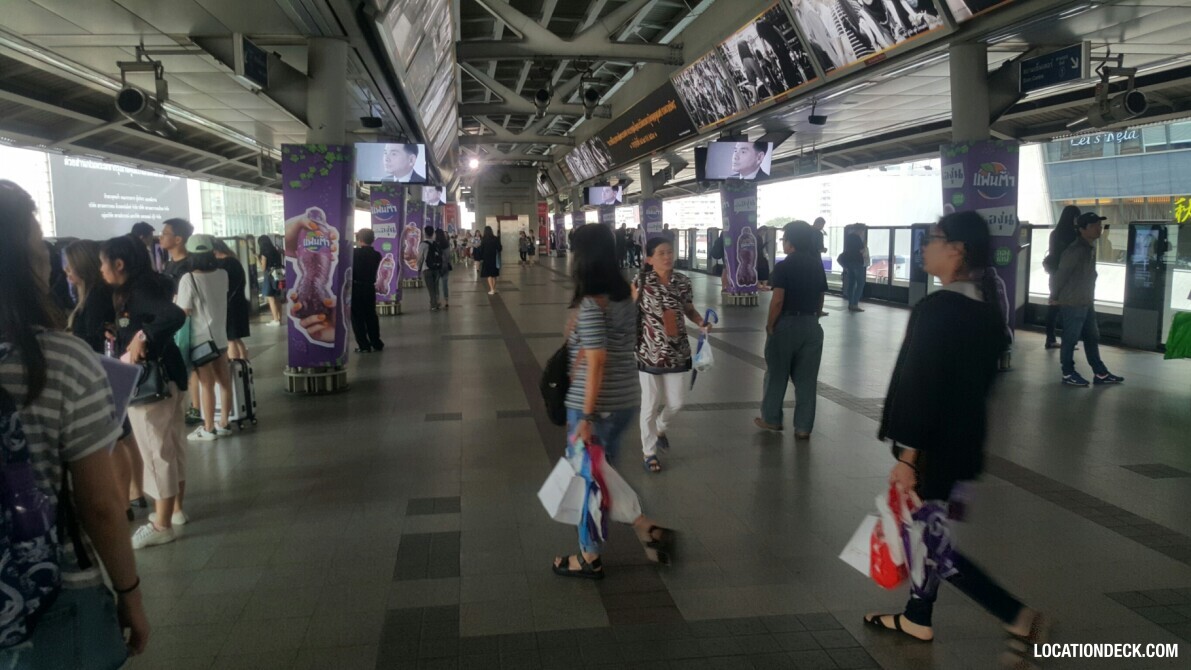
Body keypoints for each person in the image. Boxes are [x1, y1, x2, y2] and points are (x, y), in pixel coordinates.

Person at [863, 212, 1049, 666]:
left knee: (932, 543)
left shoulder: (937, 309)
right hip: (963, 446)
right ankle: (917, 616)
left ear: (958, 249)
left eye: (933, 239)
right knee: (929, 530)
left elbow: (920, 386)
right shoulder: (988, 314)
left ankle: (1015, 614)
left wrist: (908, 457)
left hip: (930, 450)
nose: (925, 246)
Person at [0, 180, 150, 665]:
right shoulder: (56, 359)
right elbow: (101, 505)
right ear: (24, 266)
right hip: (53, 592)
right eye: (41, 252)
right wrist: (129, 592)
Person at [552, 224, 674, 579]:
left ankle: (591, 556)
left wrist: (587, 416)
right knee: (601, 476)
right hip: (623, 401)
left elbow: (597, 362)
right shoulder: (625, 296)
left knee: (587, 481)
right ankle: (644, 527)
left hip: (596, 406)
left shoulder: (592, 304)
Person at [100, 235, 189, 549]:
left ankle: (161, 523)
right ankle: (175, 509)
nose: (101, 269)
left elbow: (174, 315)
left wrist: (143, 337)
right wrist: (127, 331)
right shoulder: (149, 284)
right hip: (171, 375)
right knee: (172, 446)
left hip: (152, 384)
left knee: (155, 452)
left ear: (119, 264)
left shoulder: (136, 291)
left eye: (103, 262)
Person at [64, 240, 146, 521]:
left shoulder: (97, 297)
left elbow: (97, 335)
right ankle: (135, 493)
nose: (66, 271)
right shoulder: (94, 294)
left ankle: (124, 502)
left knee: (115, 441)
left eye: (71, 265)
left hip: (103, 372)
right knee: (124, 436)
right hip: (105, 371)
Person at [633, 237, 710, 473]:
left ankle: (661, 425)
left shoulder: (683, 282)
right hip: (649, 350)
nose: (667, 257)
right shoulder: (641, 281)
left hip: (677, 349)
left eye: (669, 252)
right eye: (661, 253)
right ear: (649, 259)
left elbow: (687, 308)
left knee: (676, 402)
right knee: (649, 404)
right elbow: (630, 310)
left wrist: (699, 321)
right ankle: (649, 452)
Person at [754, 221, 826, 439]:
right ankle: (803, 428)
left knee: (776, 374)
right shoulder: (817, 265)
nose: (783, 243)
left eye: (784, 239)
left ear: (790, 242)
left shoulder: (784, 266)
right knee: (806, 380)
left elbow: (778, 300)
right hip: (812, 325)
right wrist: (812, 317)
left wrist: (770, 325)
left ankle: (772, 419)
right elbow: (821, 298)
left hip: (787, 324)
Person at [1053, 212, 1124, 387]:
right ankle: (1068, 373)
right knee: (1070, 339)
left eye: (1100, 225)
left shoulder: (1089, 248)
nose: (1100, 229)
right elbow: (1061, 274)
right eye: (1095, 226)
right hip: (1073, 302)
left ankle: (1100, 373)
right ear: (1083, 229)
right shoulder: (1075, 250)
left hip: (1086, 301)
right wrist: (1054, 295)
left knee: (1092, 336)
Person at [176, 235, 233, 442]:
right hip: (220, 335)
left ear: (191, 255)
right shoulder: (223, 274)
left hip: (200, 339)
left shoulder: (188, 279)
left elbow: (185, 311)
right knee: (224, 382)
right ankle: (224, 423)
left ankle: (208, 428)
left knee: (206, 384)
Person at [1042, 205, 1081, 350]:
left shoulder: (1055, 233)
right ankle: (1068, 341)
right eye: (1077, 216)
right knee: (1069, 309)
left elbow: (1053, 254)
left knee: (1053, 307)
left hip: (1055, 274)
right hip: (1069, 276)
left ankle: (1050, 339)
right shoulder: (1075, 235)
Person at [212, 239, 251, 361]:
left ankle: (235, 367)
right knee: (235, 338)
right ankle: (243, 365)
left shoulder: (225, 264)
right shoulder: (233, 261)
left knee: (230, 339)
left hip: (230, 306)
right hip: (237, 304)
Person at [351, 229, 385, 352]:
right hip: (369, 287)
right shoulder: (376, 255)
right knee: (371, 315)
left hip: (356, 288)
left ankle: (364, 345)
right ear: (373, 239)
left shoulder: (354, 254)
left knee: (357, 318)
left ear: (359, 240)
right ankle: (376, 342)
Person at [257, 235, 285, 327]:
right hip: (278, 275)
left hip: (269, 276)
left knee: (270, 298)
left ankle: (275, 320)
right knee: (277, 298)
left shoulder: (265, 253)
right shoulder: (275, 251)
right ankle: (279, 318)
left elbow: (263, 268)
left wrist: (257, 259)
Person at [838, 229, 868, 312]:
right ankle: (855, 304)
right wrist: (864, 246)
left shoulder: (848, 237)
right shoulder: (857, 237)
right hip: (857, 263)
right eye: (862, 231)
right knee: (860, 283)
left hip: (849, 263)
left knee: (851, 283)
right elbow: (862, 250)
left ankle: (850, 304)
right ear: (859, 230)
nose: (862, 233)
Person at [159, 218, 193, 288]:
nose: (160, 237)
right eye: (161, 233)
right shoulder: (169, 263)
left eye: (165, 234)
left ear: (178, 239)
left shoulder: (187, 267)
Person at [418, 225, 443, 311]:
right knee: (436, 287)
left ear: (425, 233)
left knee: (430, 288)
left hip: (427, 269)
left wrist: (418, 268)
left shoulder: (423, 245)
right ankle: (437, 302)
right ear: (433, 234)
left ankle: (433, 305)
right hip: (436, 268)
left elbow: (420, 258)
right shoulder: (436, 244)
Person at [478, 225, 502, 295]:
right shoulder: (495, 238)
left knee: (489, 275)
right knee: (494, 274)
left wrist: (481, 257)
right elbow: (499, 248)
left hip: (486, 259)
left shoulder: (484, 239)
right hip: (494, 258)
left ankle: (491, 289)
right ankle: (493, 288)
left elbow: (481, 250)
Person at [435, 228, 453, 310]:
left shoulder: (434, 244)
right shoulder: (446, 243)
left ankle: (438, 300)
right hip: (445, 266)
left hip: (436, 266)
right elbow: (448, 256)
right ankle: (446, 301)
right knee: (445, 284)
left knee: (436, 284)